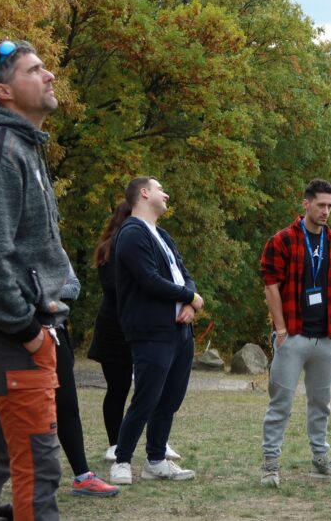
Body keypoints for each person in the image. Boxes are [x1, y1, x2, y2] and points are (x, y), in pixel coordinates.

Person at [0, 40, 72, 521]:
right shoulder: (1, 153)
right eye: (35, 70)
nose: (49, 76)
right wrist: (28, 333)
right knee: (38, 465)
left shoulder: (20, 147)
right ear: (3, 91)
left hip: (12, 331)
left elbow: (24, 247)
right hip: (13, 334)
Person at [109, 177, 203, 485]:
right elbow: (148, 279)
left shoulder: (162, 235)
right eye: (161, 188)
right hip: (151, 331)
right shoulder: (132, 233)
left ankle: (156, 460)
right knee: (147, 397)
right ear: (144, 193)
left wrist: (190, 303)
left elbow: (184, 274)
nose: (166, 193)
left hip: (179, 332)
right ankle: (122, 460)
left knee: (170, 398)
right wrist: (188, 297)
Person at [260, 179, 331, 487]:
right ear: (306, 204)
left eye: (329, 206)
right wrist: (281, 329)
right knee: (280, 402)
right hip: (293, 335)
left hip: (327, 337)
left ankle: (320, 459)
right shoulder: (283, 240)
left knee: (321, 403)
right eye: (321, 205)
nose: (326, 211)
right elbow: (270, 285)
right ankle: (271, 464)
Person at [88, 203, 182, 465]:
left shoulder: (155, 242)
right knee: (117, 388)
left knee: (151, 387)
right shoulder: (112, 248)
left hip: (147, 326)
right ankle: (115, 443)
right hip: (115, 329)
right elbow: (114, 287)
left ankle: (158, 441)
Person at [53, 265, 119, 497]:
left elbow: (74, 286)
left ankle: (83, 477)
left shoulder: (53, 244)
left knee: (67, 406)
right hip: (21, 334)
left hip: (56, 331)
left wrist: (45, 293)